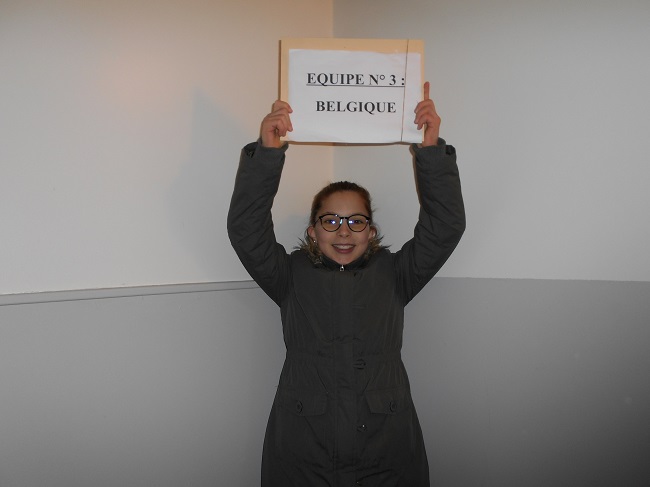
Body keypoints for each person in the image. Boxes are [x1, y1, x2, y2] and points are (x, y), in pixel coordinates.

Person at [227, 82, 465, 487]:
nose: (343, 231)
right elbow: (246, 230)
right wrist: (268, 153)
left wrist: (430, 149)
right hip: (305, 445)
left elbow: (444, 227)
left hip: (385, 444)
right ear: (313, 230)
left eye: (356, 221)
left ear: (370, 232)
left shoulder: (396, 274)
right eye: (330, 220)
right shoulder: (289, 276)